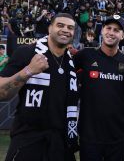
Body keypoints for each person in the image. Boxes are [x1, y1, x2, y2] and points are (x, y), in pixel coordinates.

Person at [0, 13, 79, 161]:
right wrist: (28, 71)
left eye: (70, 27)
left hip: (61, 143)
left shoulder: (72, 61)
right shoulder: (27, 52)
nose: (65, 30)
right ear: (50, 28)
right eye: (60, 25)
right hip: (28, 141)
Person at [74, 15, 124, 161]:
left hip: (117, 136)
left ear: (122, 35)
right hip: (89, 136)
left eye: (116, 30)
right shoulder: (86, 55)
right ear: (102, 31)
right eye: (108, 28)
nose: (111, 32)